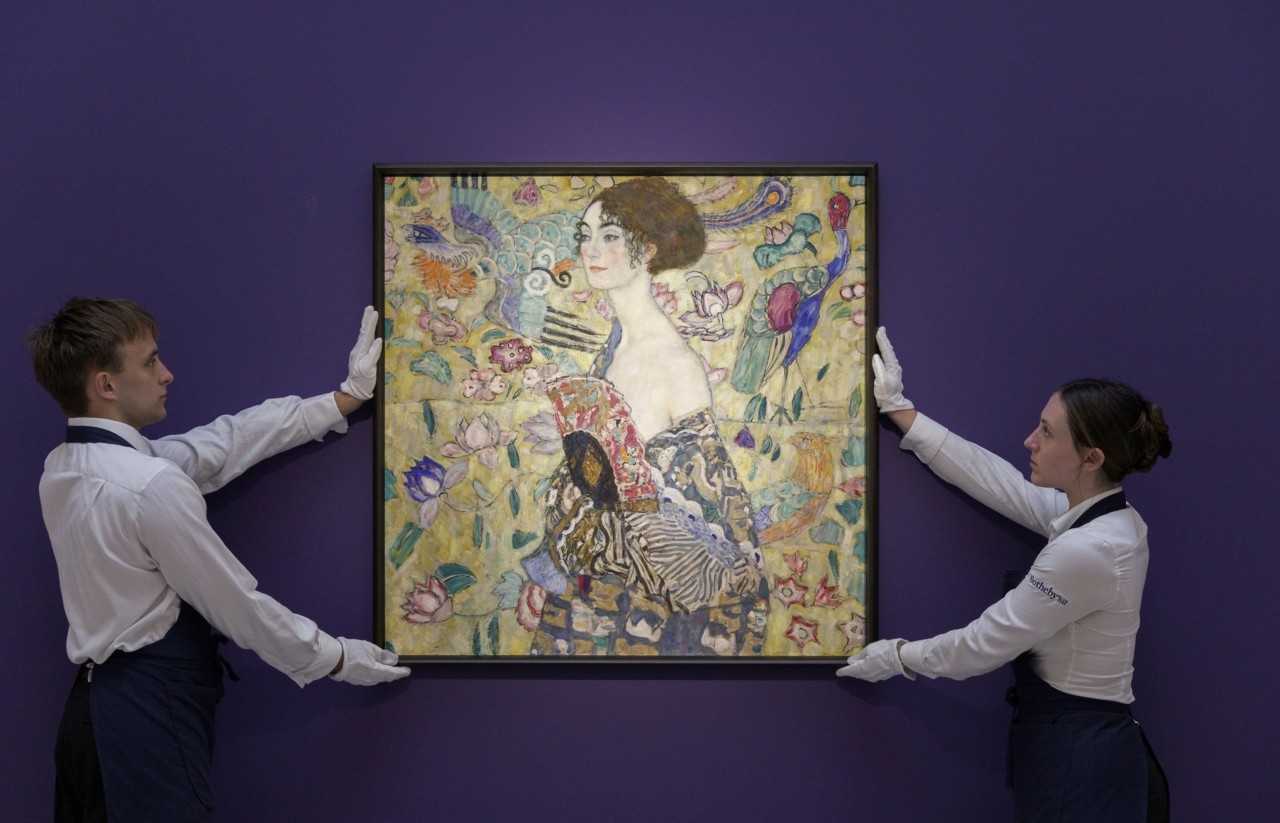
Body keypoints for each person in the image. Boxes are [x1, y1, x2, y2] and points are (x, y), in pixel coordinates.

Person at [26, 298, 410, 822]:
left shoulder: (64, 466)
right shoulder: (147, 484)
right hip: (145, 719)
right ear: (106, 385)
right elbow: (236, 605)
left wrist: (343, 399)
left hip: (90, 718)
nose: (166, 373)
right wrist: (336, 658)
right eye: (150, 362)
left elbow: (220, 445)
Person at [838, 327, 1171, 822]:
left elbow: (981, 646)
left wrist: (898, 656)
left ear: (1091, 458)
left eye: (1047, 432)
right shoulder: (1111, 520)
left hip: (1079, 760)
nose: (1030, 440)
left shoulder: (1089, 548)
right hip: (1086, 747)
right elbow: (999, 483)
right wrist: (902, 412)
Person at [519, 177, 769, 656]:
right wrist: (549, 570)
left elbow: (717, 522)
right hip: (587, 587)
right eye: (585, 235)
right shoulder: (616, 345)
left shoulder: (672, 363)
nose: (591, 249)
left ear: (647, 250)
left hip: (639, 609)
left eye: (610, 235)